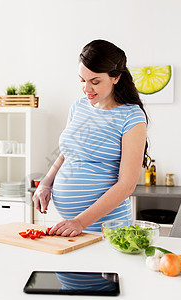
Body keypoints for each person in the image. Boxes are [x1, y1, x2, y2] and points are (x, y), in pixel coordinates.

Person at [32, 39, 149, 237]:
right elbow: (68, 152)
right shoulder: (78, 107)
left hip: (108, 228)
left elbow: (127, 184)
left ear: (116, 77)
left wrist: (80, 222)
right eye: (82, 80)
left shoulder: (131, 116)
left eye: (95, 82)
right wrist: (46, 183)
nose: (87, 88)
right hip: (72, 227)